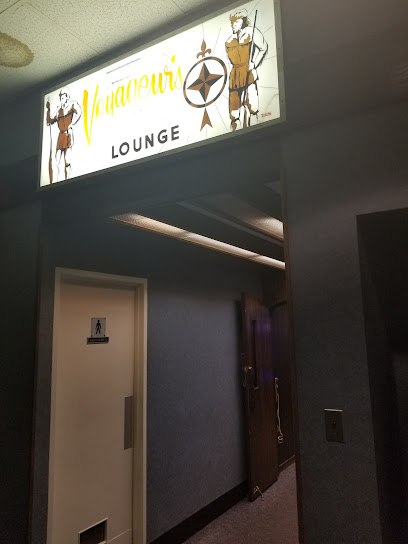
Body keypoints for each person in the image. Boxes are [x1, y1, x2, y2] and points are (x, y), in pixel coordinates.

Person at [225, 9, 268, 131]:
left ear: (243, 21)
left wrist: (254, 64)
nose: (233, 25)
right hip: (235, 76)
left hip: (248, 73)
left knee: (252, 107)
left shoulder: (251, 32)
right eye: (232, 22)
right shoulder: (229, 41)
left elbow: (263, 47)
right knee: (234, 112)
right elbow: (229, 62)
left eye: (236, 22)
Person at [46, 87, 82, 181]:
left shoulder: (72, 104)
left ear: (67, 97)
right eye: (60, 97)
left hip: (68, 135)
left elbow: (79, 112)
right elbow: (49, 121)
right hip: (60, 136)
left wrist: (72, 123)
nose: (61, 99)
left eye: (63, 97)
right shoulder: (59, 109)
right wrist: (48, 109)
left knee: (67, 160)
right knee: (57, 161)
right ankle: (57, 181)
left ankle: (68, 179)